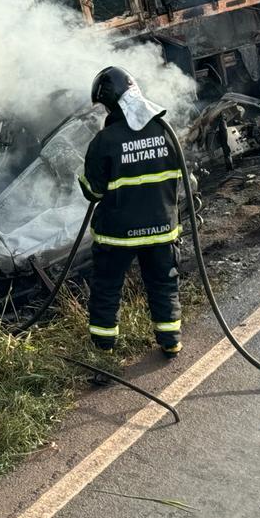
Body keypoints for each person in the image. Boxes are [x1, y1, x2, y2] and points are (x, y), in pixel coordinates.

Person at [79, 66, 184, 357]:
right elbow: (180, 176)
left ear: (111, 103)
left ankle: (103, 349)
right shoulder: (165, 130)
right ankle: (171, 340)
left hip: (117, 235)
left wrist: (83, 177)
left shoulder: (105, 141)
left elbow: (93, 192)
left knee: (107, 289)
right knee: (163, 283)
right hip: (162, 228)